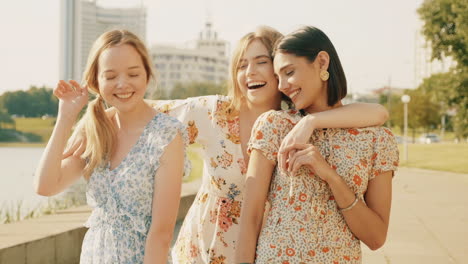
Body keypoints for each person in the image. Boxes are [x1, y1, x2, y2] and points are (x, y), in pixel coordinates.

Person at [147, 26, 390, 263]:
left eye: (263, 63)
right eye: (242, 65)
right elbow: (146, 113)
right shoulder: (241, 117)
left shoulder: (303, 125)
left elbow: (379, 113)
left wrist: (314, 129)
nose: (251, 72)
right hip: (203, 248)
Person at [236, 26, 399, 263]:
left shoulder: (376, 140)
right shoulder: (275, 126)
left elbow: (376, 238)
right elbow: (250, 218)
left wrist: (330, 176)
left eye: (289, 72)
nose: (281, 85)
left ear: (322, 62)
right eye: (277, 76)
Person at [34, 29, 188, 263]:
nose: (123, 84)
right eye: (111, 76)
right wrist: (66, 117)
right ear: (96, 81)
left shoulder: (165, 135)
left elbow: (161, 234)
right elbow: (46, 186)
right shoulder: (95, 129)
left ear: (147, 75)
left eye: (133, 74)